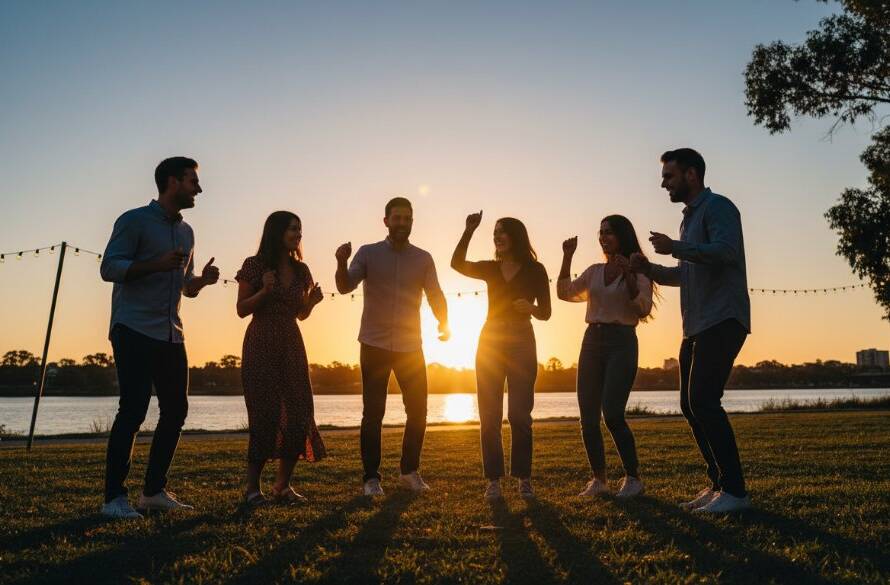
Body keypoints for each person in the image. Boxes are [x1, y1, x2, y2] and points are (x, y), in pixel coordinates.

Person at [630, 148, 752, 513]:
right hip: (696, 324)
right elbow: (687, 274)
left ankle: (735, 492)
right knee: (689, 403)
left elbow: (726, 252)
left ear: (691, 175)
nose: (663, 182)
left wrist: (676, 247)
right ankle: (718, 487)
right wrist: (650, 268)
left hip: (722, 318)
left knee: (703, 400)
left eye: (669, 176)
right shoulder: (688, 220)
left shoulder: (719, 208)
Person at [99, 156, 219, 519]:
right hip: (132, 327)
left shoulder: (187, 232)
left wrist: (202, 281)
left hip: (171, 333)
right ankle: (113, 499)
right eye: (192, 181)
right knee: (133, 409)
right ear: (171, 181)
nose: (198, 188)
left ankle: (153, 492)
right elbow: (109, 268)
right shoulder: (133, 220)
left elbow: (185, 284)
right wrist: (156, 264)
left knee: (176, 410)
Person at [335, 197, 450, 496]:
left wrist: (444, 321)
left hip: (411, 346)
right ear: (385, 221)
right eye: (396, 218)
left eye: (407, 218)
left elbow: (435, 294)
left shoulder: (423, 258)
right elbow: (345, 286)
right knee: (373, 413)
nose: (402, 223)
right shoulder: (368, 253)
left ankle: (409, 471)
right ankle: (371, 478)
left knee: (418, 411)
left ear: (412, 221)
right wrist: (340, 262)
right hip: (374, 343)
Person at [451, 211, 551, 501]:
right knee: (490, 415)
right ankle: (493, 480)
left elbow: (545, 312)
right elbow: (457, 263)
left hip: (522, 340)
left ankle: (523, 479)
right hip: (490, 341)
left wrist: (530, 309)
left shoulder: (536, 269)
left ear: (516, 236)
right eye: (494, 232)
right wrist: (469, 230)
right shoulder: (490, 269)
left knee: (519, 414)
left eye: (502, 231)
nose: (496, 236)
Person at [557, 215, 654, 499]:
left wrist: (629, 276)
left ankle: (633, 478)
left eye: (609, 232)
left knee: (612, 413)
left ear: (622, 235)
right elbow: (565, 293)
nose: (603, 237)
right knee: (587, 417)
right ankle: (598, 480)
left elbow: (643, 308)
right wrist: (567, 257)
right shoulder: (595, 271)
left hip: (621, 342)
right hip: (591, 342)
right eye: (600, 233)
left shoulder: (639, 272)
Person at [235, 211, 327, 507]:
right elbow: (241, 309)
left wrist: (310, 304)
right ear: (276, 232)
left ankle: (282, 486)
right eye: (292, 229)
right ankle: (252, 490)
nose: (298, 234)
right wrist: (265, 290)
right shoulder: (255, 265)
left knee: (300, 410)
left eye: (300, 229)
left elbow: (299, 314)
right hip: (261, 341)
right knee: (265, 414)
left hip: (291, 341)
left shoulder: (302, 270)